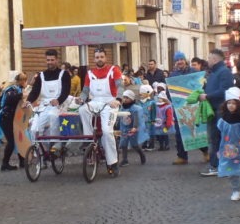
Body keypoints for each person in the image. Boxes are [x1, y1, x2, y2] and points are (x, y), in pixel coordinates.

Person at [79, 47, 123, 176]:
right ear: (94, 59)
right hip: (95, 101)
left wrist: (118, 99)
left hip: (110, 102)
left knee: (107, 131)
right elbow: (85, 91)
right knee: (82, 109)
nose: (99, 59)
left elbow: (120, 85)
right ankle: (88, 141)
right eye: (97, 57)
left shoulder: (113, 70)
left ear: (106, 58)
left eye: (101, 57)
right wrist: (80, 99)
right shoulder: (89, 73)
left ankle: (113, 163)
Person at [199, 49, 235, 177]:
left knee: (218, 138)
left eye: (209, 58)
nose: (207, 60)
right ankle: (217, 165)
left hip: (220, 110)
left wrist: (208, 96)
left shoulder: (224, 72)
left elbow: (226, 90)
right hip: (213, 110)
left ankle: (218, 166)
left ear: (214, 60)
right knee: (214, 139)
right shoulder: (214, 72)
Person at [26, 49, 72, 147]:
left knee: (53, 116)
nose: (50, 62)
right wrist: (28, 101)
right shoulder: (41, 75)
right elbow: (35, 91)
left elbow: (66, 91)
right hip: (45, 105)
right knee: (34, 129)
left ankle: (55, 144)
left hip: (59, 104)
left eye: (52, 60)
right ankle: (39, 153)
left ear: (56, 60)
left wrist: (58, 100)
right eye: (48, 60)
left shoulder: (64, 74)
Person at [0, 72, 28, 171]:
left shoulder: (18, 89)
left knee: (19, 139)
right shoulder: (12, 89)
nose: (26, 83)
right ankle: (5, 164)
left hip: (13, 118)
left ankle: (22, 161)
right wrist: (22, 95)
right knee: (11, 141)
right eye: (25, 80)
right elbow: (11, 99)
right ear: (22, 81)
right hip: (6, 118)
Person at [168, 51, 193, 165]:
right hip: (179, 107)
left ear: (185, 60)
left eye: (181, 59)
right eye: (177, 60)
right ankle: (182, 156)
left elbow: (200, 85)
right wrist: (171, 99)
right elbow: (169, 90)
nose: (179, 62)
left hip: (193, 106)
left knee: (197, 130)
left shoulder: (193, 72)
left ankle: (205, 151)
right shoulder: (172, 75)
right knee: (179, 133)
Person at [118, 90, 148, 165]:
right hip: (124, 129)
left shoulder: (135, 108)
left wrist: (135, 127)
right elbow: (119, 117)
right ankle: (125, 160)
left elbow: (136, 118)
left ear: (132, 99)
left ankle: (141, 154)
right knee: (123, 144)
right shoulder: (122, 108)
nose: (125, 99)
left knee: (134, 145)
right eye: (124, 97)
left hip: (132, 129)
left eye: (127, 98)